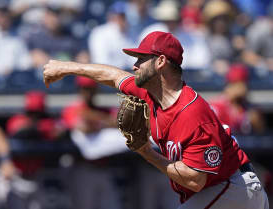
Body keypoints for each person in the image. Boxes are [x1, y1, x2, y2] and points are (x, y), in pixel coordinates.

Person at [43, 31, 269, 208]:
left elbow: (195, 180)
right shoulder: (151, 94)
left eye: (141, 59)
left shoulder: (192, 112)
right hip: (218, 189)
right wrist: (67, 67)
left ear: (160, 61)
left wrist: (146, 152)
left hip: (232, 188)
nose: (134, 66)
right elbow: (113, 76)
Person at [62, 76, 127, 209]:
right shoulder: (71, 109)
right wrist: (105, 122)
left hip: (104, 169)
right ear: (79, 90)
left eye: (91, 89)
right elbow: (83, 127)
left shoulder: (103, 109)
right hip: (83, 170)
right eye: (85, 89)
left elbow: (122, 122)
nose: (88, 93)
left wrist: (95, 120)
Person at [0, 90, 65, 209]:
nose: (34, 116)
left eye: (37, 113)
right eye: (31, 112)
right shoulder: (17, 120)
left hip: (35, 178)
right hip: (14, 175)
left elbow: (60, 130)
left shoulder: (48, 123)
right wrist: (43, 128)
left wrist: (46, 127)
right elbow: (22, 130)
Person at [209, 63, 266, 135]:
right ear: (228, 86)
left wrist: (256, 121)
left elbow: (261, 135)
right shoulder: (216, 106)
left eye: (243, 84)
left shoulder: (250, 108)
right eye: (236, 84)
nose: (242, 88)